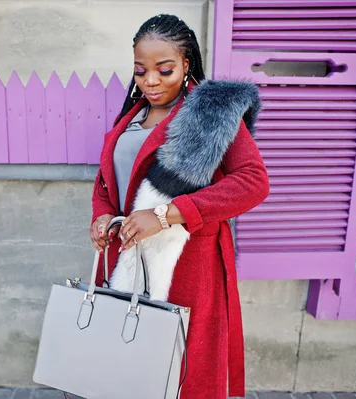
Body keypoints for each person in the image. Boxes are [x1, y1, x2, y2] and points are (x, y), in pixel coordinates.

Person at [89, 14, 269, 399]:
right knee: (130, 362)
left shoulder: (210, 116)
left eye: (164, 70)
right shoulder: (131, 117)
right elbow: (110, 181)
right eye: (140, 71)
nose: (150, 81)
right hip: (130, 257)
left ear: (187, 65)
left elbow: (253, 183)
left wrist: (165, 215)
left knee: (182, 373)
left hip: (190, 264)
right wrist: (102, 214)